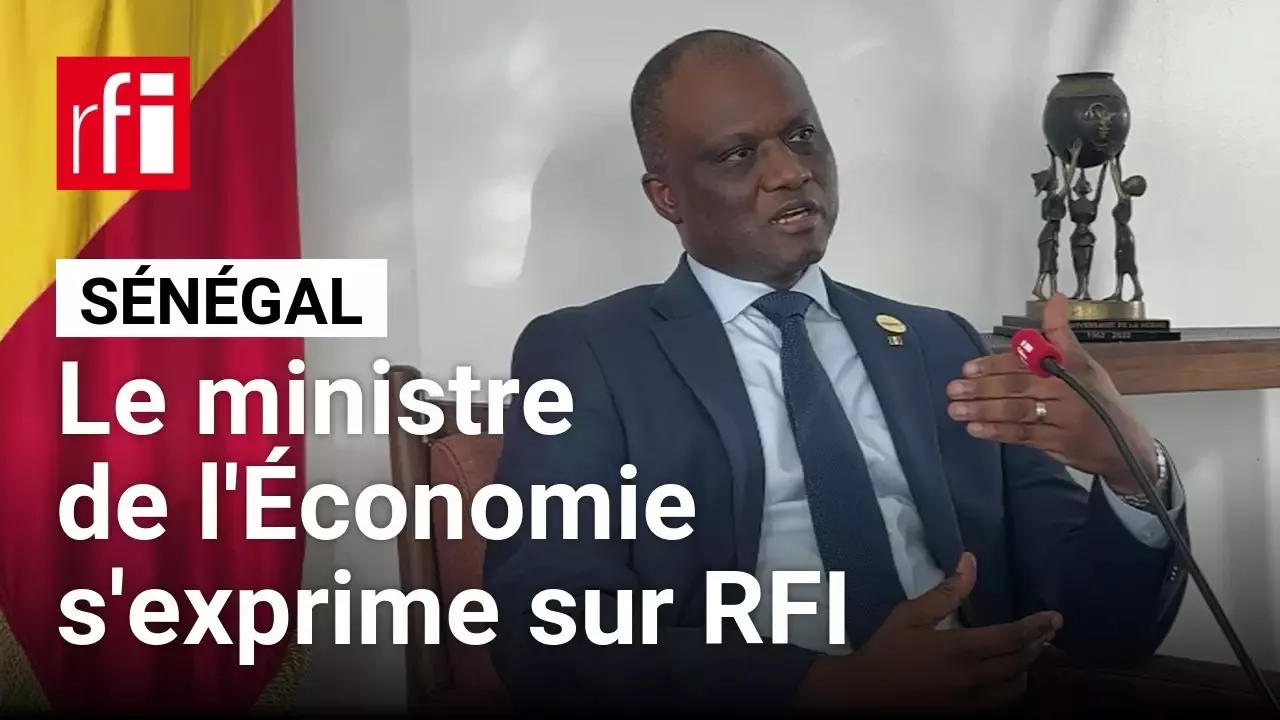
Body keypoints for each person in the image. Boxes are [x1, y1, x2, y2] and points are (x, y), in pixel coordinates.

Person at [482, 29, 1188, 711]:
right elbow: (547, 624)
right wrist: (816, 688)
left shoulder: (941, 344)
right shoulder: (590, 355)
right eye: (737, 154)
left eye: (802, 135)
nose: (790, 171)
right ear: (666, 196)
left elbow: (1104, 631)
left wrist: (1132, 467)